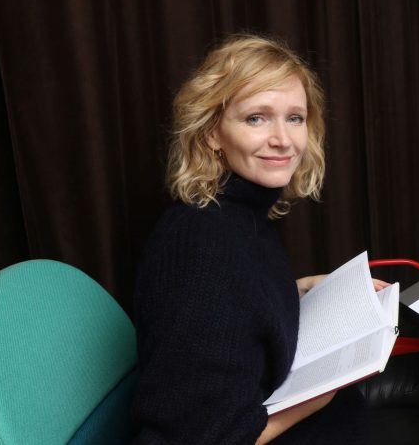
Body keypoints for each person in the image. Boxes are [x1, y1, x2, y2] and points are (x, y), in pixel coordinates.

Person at [132, 34, 373, 444]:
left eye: (295, 118)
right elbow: (208, 435)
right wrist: (321, 395)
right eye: (256, 118)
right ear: (212, 132)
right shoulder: (200, 244)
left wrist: (297, 290)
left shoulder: (237, 214)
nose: (283, 139)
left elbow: (232, 307)